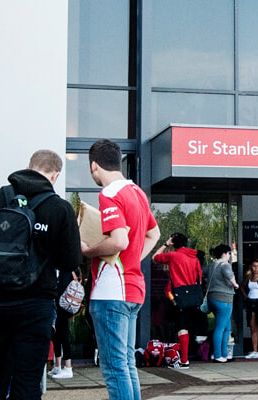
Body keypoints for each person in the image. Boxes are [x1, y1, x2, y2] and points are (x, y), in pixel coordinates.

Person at [0, 151, 81, 399]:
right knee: (27, 382)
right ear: (55, 175)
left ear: (28, 167)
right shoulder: (59, 208)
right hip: (35, 306)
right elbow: (69, 261)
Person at [81, 139, 161, 400]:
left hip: (110, 291)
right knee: (126, 364)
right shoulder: (137, 192)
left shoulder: (109, 193)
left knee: (114, 368)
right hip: (133, 290)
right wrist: (133, 260)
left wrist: (87, 250)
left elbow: (118, 240)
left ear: (94, 165)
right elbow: (154, 233)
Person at [152, 233, 204, 368]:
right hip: (192, 296)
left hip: (178, 296)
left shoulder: (173, 256)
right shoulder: (194, 258)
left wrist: (165, 244)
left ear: (173, 243)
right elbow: (199, 276)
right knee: (186, 327)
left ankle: (184, 360)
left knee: (181, 328)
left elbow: (155, 257)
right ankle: (182, 356)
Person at [206, 244, 238, 363]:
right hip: (224, 298)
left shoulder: (211, 266)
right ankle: (218, 354)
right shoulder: (225, 265)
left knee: (226, 326)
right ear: (224, 253)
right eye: (229, 253)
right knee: (220, 327)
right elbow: (231, 279)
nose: (230, 255)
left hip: (212, 298)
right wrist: (236, 285)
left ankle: (225, 353)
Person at [50, 269, 79, 379]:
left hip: (63, 305)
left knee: (63, 334)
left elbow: (63, 287)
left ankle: (68, 366)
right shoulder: (61, 269)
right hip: (59, 304)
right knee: (57, 335)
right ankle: (57, 365)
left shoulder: (67, 269)